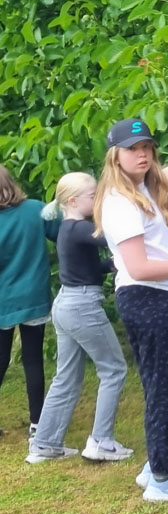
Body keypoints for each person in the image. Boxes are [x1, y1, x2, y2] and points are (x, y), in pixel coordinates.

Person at [95, 119, 168, 500]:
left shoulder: (140, 188)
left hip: (154, 298)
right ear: (116, 156)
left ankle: (157, 465)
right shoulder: (121, 204)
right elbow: (139, 267)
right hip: (149, 298)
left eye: (146, 146)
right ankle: (163, 479)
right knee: (165, 388)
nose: (142, 154)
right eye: (132, 149)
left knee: (158, 385)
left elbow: (165, 177)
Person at [26, 173, 133, 464]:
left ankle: (45, 444)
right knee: (114, 369)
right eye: (93, 195)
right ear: (73, 201)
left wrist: (111, 264)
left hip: (67, 304)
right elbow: (118, 237)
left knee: (66, 377)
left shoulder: (68, 229)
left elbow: (88, 269)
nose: (98, 199)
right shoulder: (80, 228)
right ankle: (101, 441)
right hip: (82, 307)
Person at [0, 166, 59, 440]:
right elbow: (66, 232)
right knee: (33, 360)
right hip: (34, 297)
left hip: (3, 300)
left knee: (1, 360)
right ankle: (37, 424)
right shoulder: (36, 209)